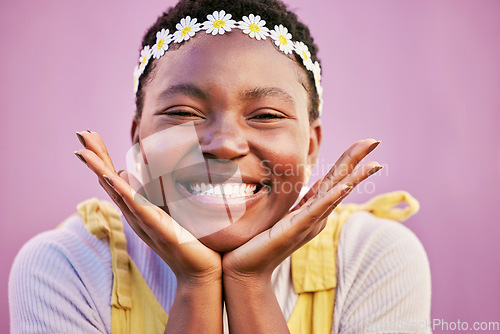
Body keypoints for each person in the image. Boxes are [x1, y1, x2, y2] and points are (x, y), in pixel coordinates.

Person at [9, 0, 431, 333]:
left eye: (265, 115)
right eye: (184, 112)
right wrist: (197, 286)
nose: (225, 145)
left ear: (311, 145)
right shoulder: (66, 267)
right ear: (139, 139)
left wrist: (249, 285)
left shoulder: (372, 257)